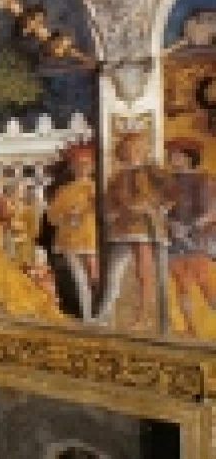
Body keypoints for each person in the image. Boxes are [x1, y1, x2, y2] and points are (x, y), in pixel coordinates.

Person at [102, 130, 170, 330]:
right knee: (113, 270)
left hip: (145, 225)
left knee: (143, 270)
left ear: (143, 149)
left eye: (136, 148)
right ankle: (106, 312)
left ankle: (144, 315)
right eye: (128, 148)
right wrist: (112, 212)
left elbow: (171, 194)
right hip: (122, 227)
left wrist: (153, 207)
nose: (132, 152)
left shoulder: (154, 171)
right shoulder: (117, 176)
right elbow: (109, 202)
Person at [164, 139, 215, 336]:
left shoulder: (204, 180)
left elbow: (211, 212)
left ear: (188, 157)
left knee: (205, 282)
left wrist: (189, 227)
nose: (171, 158)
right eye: (170, 155)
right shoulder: (168, 181)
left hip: (197, 240)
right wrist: (169, 224)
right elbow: (162, 210)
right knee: (181, 284)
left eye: (175, 154)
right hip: (173, 240)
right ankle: (190, 328)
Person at [46, 144, 99, 320]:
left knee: (93, 276)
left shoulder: (95, 187)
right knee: (79, 278)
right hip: (69, 238)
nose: (81, 168)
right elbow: (52, 216)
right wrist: (67, 214)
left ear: (91, 167)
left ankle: (100, 313)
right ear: (72, 167)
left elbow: (103, 211)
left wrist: (90, 206)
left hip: (90, 235)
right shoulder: (64, 190)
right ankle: (87, 316)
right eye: (77, 165)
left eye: (86, 164)